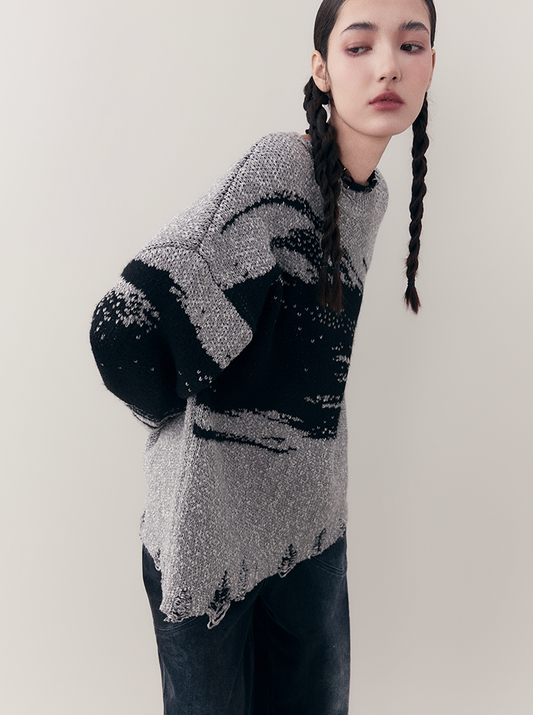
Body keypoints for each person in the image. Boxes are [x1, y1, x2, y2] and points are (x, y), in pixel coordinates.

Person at [90, 0, 436, 712]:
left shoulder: (367, 196)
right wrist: (181, 429)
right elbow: (120, 329)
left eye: (411, 44)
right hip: (208, 542)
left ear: (431, 65)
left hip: (310, 527)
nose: (387, 67)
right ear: (321, 70)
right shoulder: (279, 169)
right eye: (359, 46)